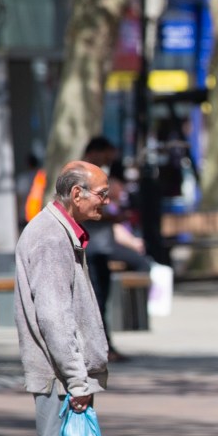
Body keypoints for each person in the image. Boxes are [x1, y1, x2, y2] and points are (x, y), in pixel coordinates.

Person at [14, 161, 113, 436]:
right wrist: (76, 378)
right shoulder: (50, 238)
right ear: (76, 194)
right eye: (101, 193)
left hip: (64, 374)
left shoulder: (60, 233)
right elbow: (54, 316)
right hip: (58, 374)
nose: (107, 201)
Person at [80, 136, 127, 362]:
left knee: (101, 297)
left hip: (100, 246)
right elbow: (85, 209)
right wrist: (112, 216)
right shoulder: (83, 177)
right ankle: (100, 348)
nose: (109, 161)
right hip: (89, 246)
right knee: (95, 299)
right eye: (107, 156)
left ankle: (104, 345)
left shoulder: (98, 175)